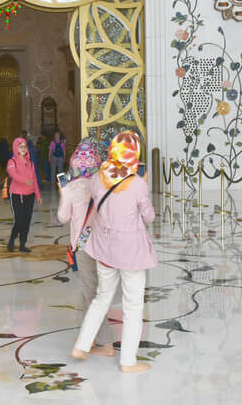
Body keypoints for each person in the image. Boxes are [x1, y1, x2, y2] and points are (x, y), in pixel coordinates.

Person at [71, 131, 155, 373]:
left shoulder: (98, 179)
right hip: (130, 252)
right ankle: (128, 361)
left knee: (101, 297)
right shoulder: (137, 184)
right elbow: (148, 217)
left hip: (104, 249)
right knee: (133, 305)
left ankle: (82, 344)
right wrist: (145, 185)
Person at [57, 138, 116, 355]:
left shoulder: (71, 188)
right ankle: (88, 336)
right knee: (90, 289)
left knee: (91, 293)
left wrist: (63, 194)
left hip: (83, 246)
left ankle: (107, 344)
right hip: (104, 245)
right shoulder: (103, 186)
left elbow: (63, 217)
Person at [6, 136, 42, 252]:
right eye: (20, 146)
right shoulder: (12, 162)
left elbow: (34, 179)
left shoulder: (30, 163)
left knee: (26, 221)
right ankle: (12, 240)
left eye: (25, 146)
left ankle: (22, 244)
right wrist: (24, 181)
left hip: (29, 195)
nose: (23, 148)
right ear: (15, 148)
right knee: (19, 220)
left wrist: (38, 195)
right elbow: (13, 175)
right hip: (17, 195)